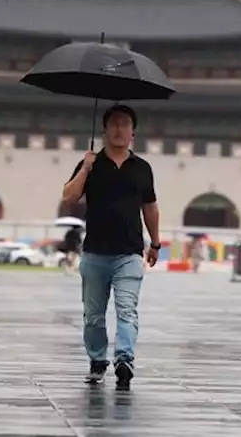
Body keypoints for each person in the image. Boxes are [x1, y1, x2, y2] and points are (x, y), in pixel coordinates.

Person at [60, 104, 160, 390]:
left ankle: (124, 359)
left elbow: (150, 208)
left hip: (129, 253)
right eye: (114, 124)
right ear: (104, 130)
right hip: (95, 253)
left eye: (125, 124)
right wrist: (86, 168)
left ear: (132, 133)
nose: (119, 129)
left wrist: (155, 242)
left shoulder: (142, 168)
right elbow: (69, 196)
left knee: (127, 310)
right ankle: (97, 359)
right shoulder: (91, 164)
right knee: (93, 316)